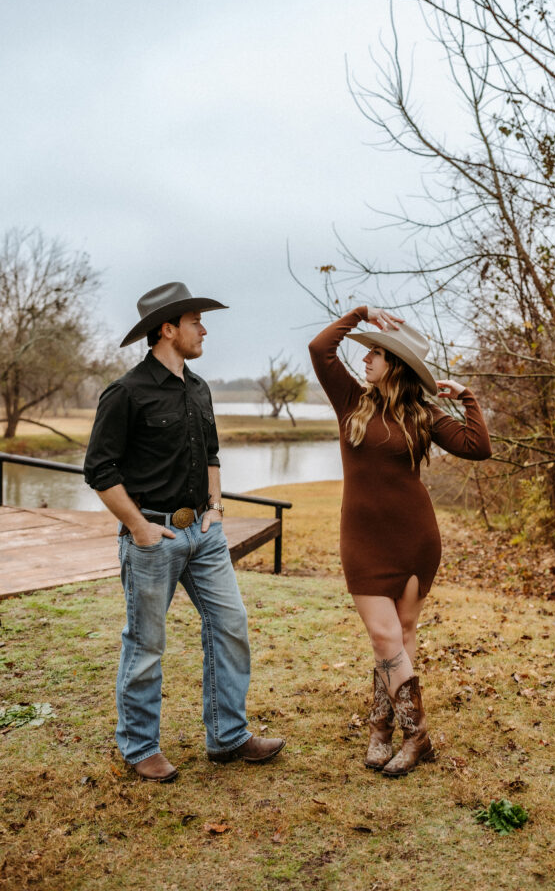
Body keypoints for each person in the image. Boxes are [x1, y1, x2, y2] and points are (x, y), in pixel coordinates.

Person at [84, 281, 285, 782]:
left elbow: (211, 454)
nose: (205, 329)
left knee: (231, 625)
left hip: (204, 533)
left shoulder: (199, 388)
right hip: (152, 536)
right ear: (168, 329)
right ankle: (138, 747)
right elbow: (100, 470)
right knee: (146, 644)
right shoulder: (126, 392)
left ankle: (228, 736)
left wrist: (215, 508)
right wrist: (138, 528)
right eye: (196, 321)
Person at [309, 306, 491, 777]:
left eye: (376, 354)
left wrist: (467, 397)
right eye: (368, 351)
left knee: (401, 640)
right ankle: (418, 736)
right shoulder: (350, 399)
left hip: (415, 538)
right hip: (363, 541)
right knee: (385, 637)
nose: (366, 359)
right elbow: (320, 348)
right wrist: (361, 314)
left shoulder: (423, 415)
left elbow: (477, 446)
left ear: (398, 366)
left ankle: (380, 730)